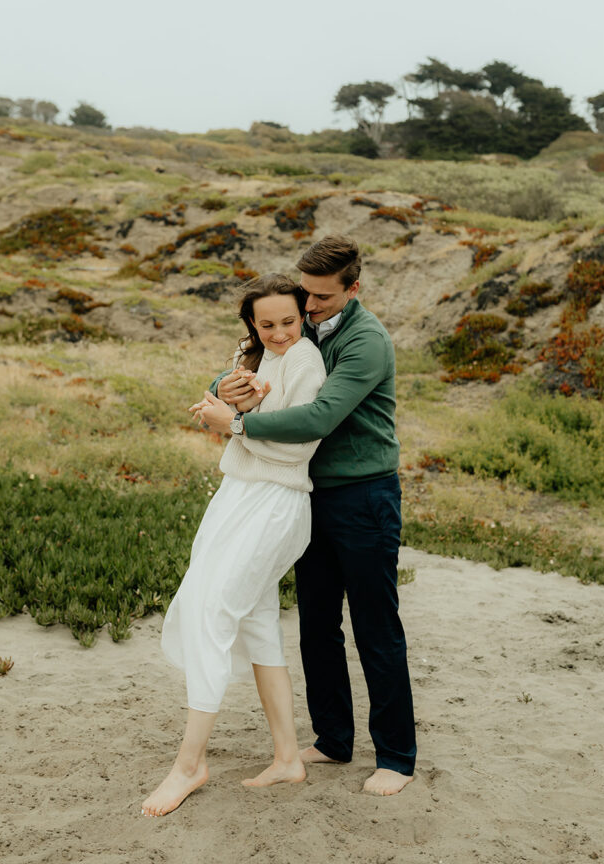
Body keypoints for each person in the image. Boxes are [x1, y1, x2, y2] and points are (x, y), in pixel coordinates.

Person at [198, 235, 417, 797]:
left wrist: (239, 425)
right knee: (317, 624)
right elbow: (253, 362)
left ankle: (395, 756)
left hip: (365, 495)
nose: (310, 306)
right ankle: (333, 739)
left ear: (353, 289)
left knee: (375, 625)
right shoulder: (302, 326)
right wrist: (223, 390)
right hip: (310, 494)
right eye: (306, 296)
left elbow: (319, 415)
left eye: (321, 298)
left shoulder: (367, 341)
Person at [141, 274, 326, 818]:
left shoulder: (306, 361)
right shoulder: (261, 359)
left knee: (213, 611)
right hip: (237, 496)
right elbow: (251, 419)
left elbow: (298, 452)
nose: (278, 333)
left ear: (302, 315)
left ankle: (189, 765)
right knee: (253, 620)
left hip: (275, 503)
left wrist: (237, 424)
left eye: (288, 322)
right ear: (252, 322)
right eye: (265, 324)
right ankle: (288, 756)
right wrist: (229, 400)